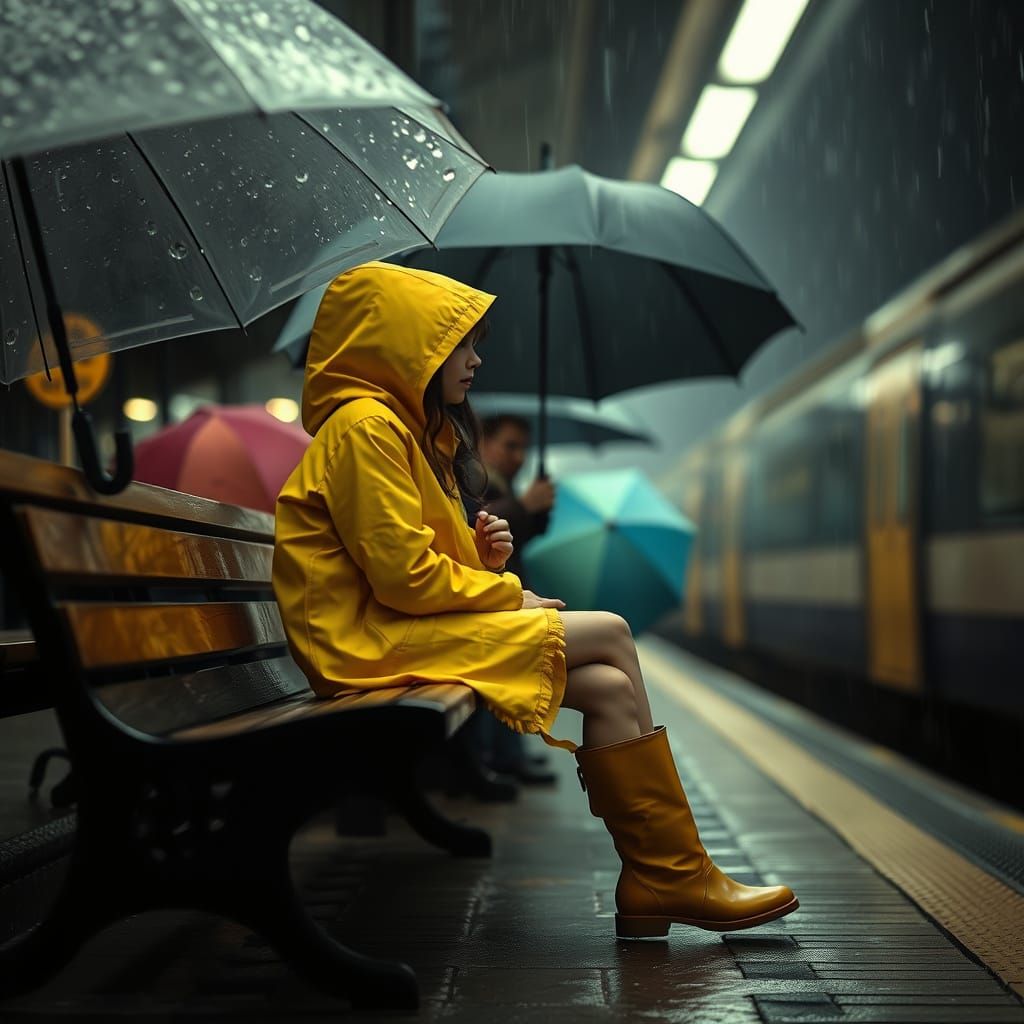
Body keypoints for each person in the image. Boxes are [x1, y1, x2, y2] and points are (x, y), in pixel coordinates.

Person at [273, 262, 798, 939]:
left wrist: (482, 555)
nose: (476, 359)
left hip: (386, 631)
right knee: (610, 630)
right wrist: (510, 595)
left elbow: (408, 561)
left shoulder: (399, 432)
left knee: (608, 688)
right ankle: (676, 872)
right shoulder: (367, 429)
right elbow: (401, 578)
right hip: (359, 644)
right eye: (461, 343)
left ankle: (653, 880)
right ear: (412, 346)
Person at [465, 414, 558, 784]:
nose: (519, 456)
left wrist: (537, 513)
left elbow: (513, 533)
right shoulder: (476, 477)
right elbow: (477, 524)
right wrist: (524, 506)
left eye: (523, 448)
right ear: (485, 444)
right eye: (510, 445)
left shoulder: (500, 482)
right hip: (488, 601)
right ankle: (499, 755)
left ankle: (509, 752)